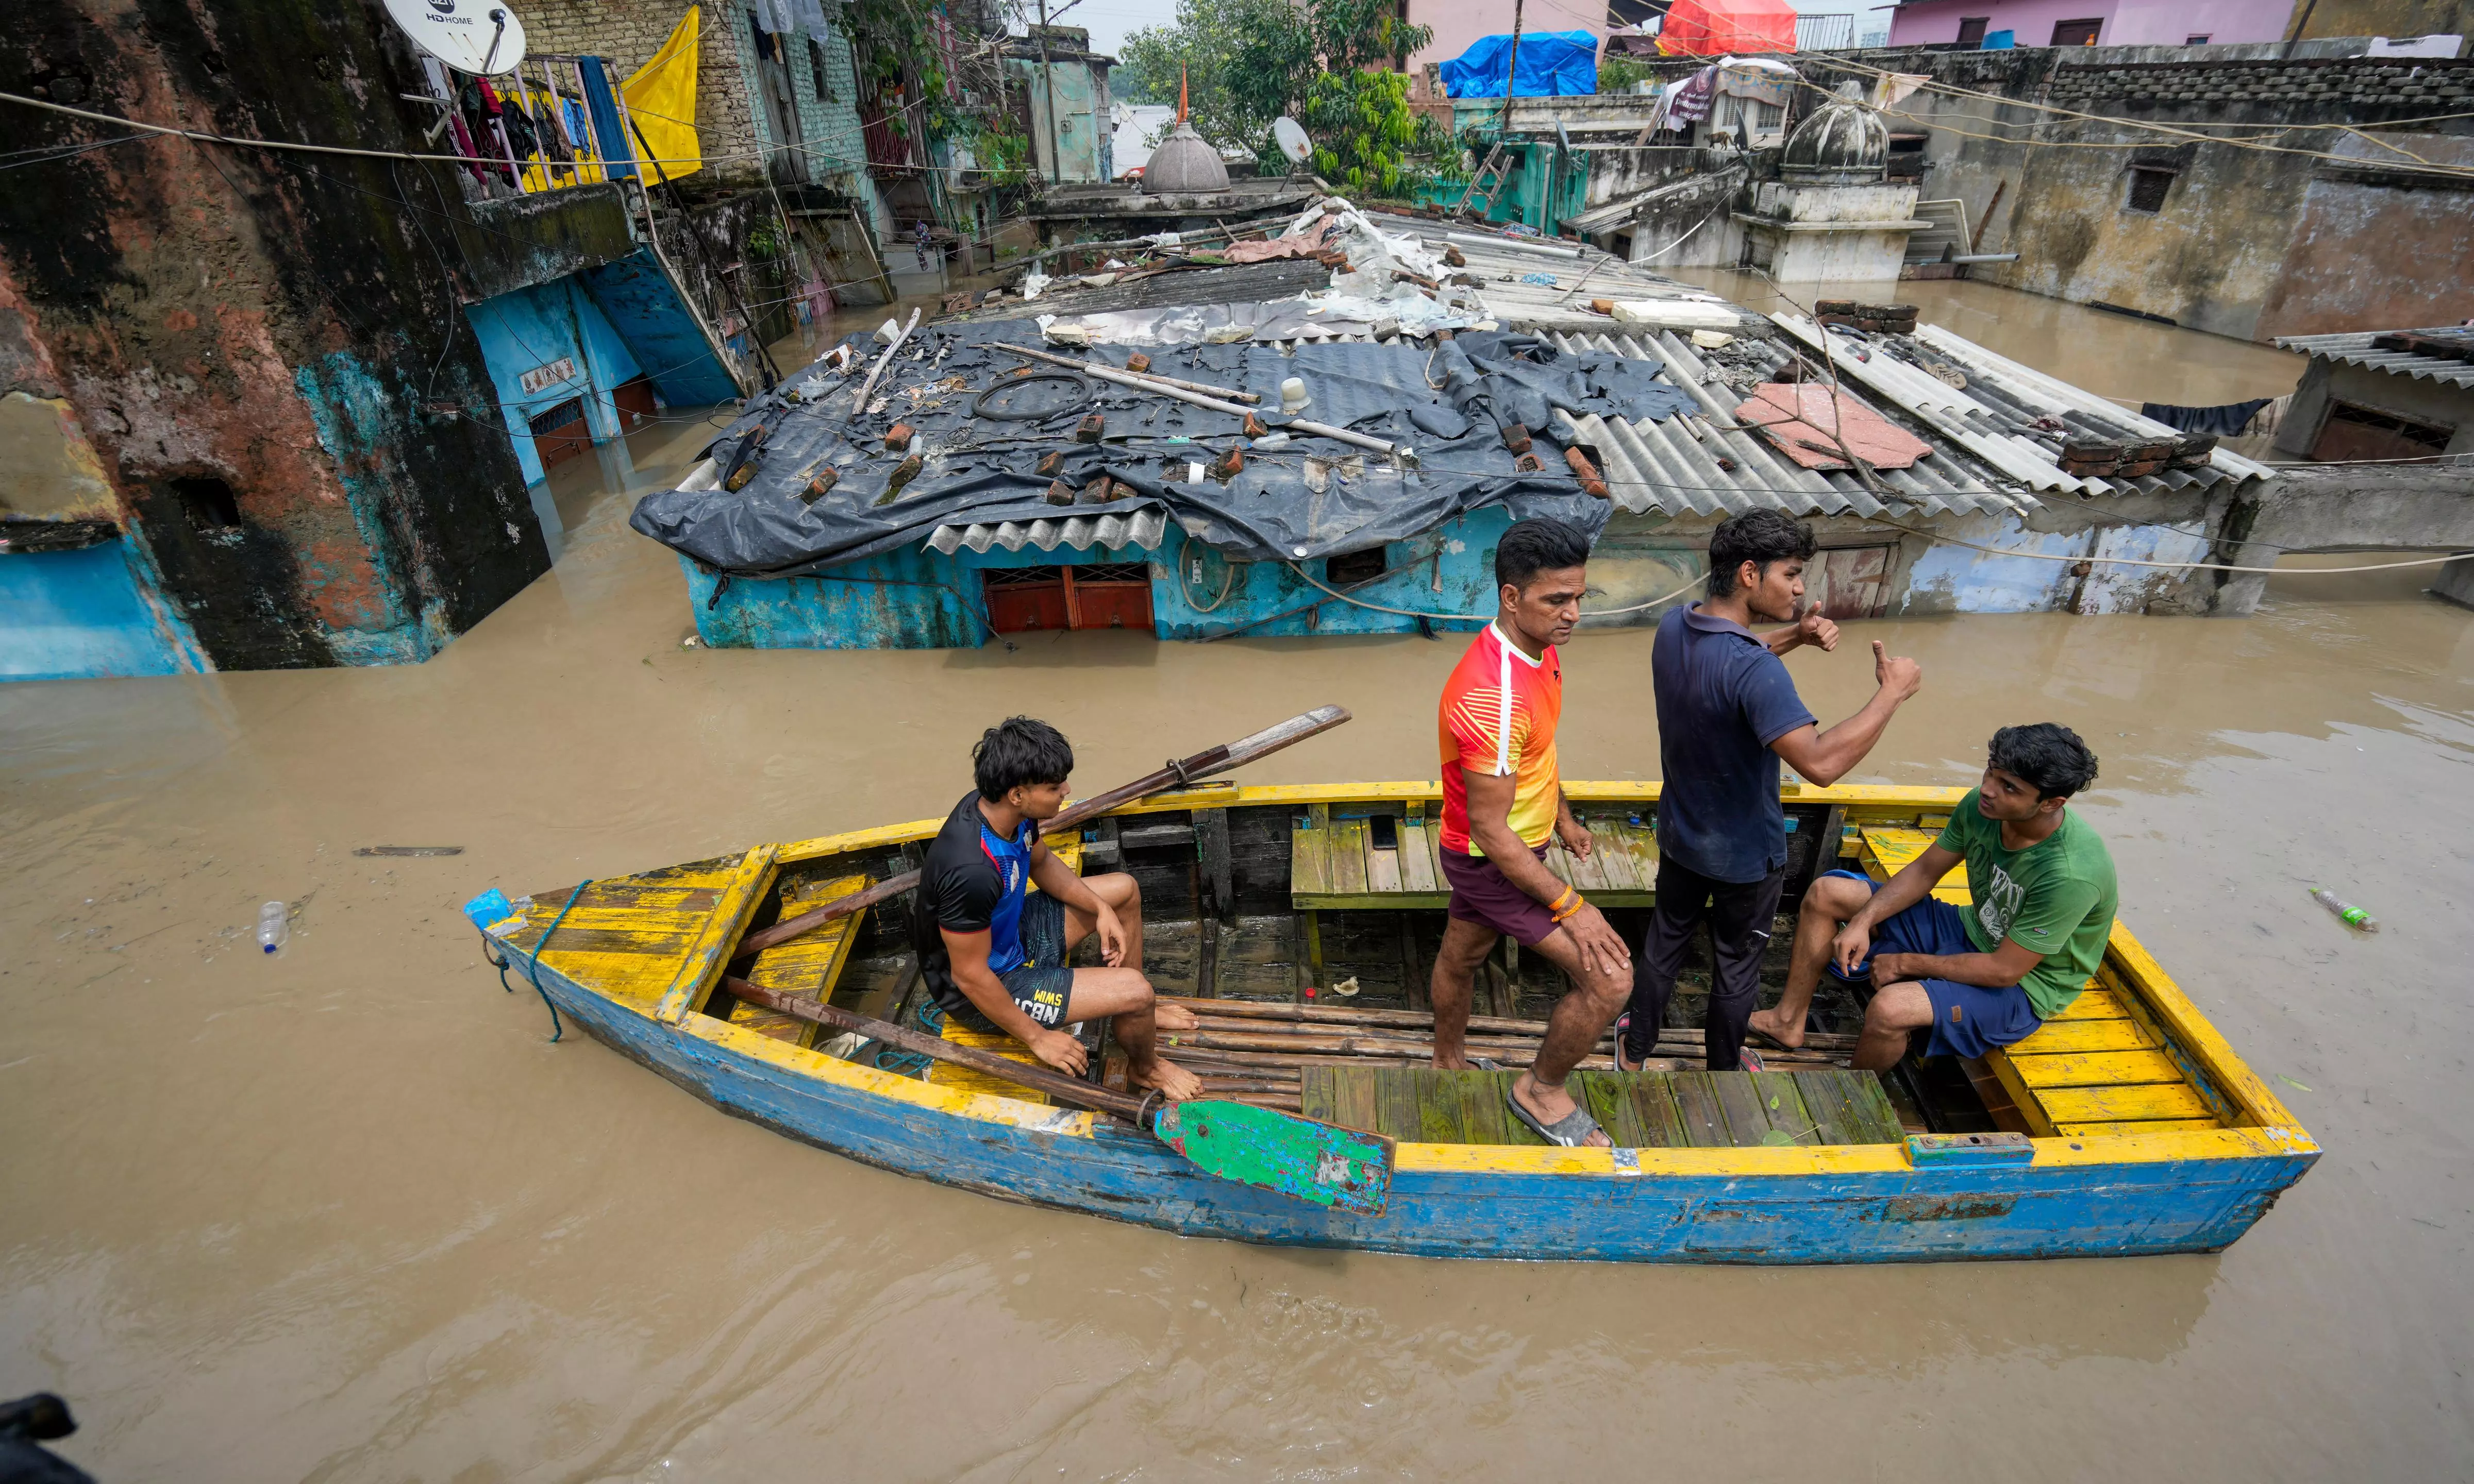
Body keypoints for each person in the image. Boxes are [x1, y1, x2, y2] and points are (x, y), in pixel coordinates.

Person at [1620, 509, 1923, 1075]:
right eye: (1791, 574)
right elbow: (1821, 764)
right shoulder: (1757, 674)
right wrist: (1892, 694)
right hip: (1745, 855)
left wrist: (1797, 636)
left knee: (1664, 948)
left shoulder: (1673, 627)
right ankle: (1723, 1075)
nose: (1802, 588)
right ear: (1751, 575)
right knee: (1736, 968)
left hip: (1682, 834)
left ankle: (1634, 1052)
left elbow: (1730, 662)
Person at [1430, 517, 1634, 1148]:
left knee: (1462, 955)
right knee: (1611, 979)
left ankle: (1446, 1061)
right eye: (1556, 601)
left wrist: (1564, 815)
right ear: (1511, 597)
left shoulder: (1537, 651)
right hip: (1492, 860)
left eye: (1579, 598)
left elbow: (1539, 753)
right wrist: (1573, 907)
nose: (1573, 614)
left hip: (1520, 844)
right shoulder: (1493, 696)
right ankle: (1539, 1089)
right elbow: (1492, 831)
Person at [1751, 724, 2115, 1070]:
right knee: (1828, 892)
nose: (1989, 788)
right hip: (1971, 931)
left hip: (2026, 985)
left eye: (2009, 787)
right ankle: (1787, 1021)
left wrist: (1904, 963)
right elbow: (1925, 873)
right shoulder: (1982, 806)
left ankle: (1854, 1093)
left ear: (2051, 804)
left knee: (1890, 1010)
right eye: (1991, 772)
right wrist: (1862, 922)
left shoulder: (2070, 874)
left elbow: (2004, 971)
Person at [915, 717, 1201, 1102]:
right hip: (985, 990)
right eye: (1054, 787)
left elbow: (1042, 863)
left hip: (1011, 935)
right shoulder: (973, 872)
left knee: (1123, 891)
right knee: (1138, 990)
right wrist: (1039, 1038)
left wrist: (1100, 908)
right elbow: (970, 977)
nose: (1066, 791)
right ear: (1017, 794)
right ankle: (1145, 1066)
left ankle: (1135, 1015)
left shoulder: (1010, 813)